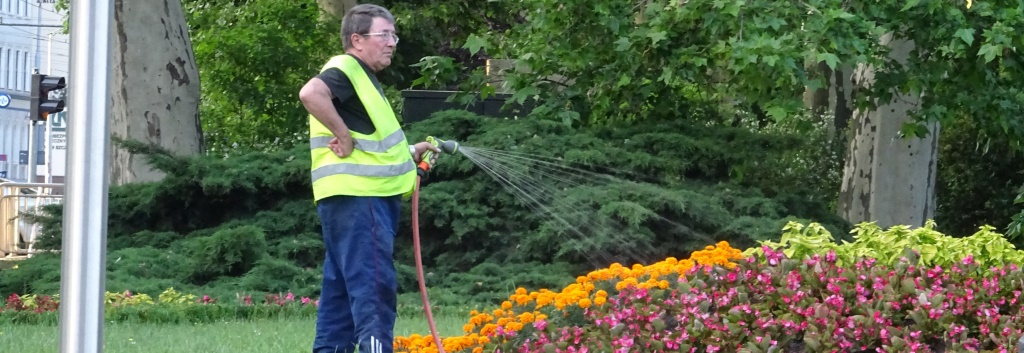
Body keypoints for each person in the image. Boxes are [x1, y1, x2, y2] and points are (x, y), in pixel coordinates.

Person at [298, 4, 438, 353]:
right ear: (357, 39)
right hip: (363, 202)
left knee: (340, 297)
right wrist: (342, 136)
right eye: (384, 34)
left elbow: (374, 147)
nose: (392, 42)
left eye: (394, 35)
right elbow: (310, 94)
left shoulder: (362, 79)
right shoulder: (345, 68)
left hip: (346, 200)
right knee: (372, 290)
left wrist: (409, 151)